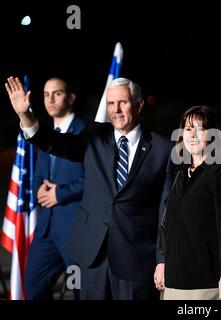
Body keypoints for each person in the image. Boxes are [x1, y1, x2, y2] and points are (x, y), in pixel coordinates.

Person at [5, 76, 174, 300]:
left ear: (139, 105)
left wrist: (162, 259)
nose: (116, 110)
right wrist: (25, 116)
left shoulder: (163, 149)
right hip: (91, 260)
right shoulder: (95, 137)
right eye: (111, 104)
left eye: (123, 102)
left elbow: (166, 210)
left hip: (136, 261)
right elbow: (55, 142)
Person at [153, 106, 221, 300]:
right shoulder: (181, 174)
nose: (192, 134)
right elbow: (171, 226)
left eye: (200, 128)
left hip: (206, 287)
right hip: (174, 283)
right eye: (187, 128)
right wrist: (163, 262)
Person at [25, 77, 85, 299]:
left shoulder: (84, 132)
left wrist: (59, 193)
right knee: (33, 286)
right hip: (46, 232)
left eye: (56, 93)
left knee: (79, 290)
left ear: (70, 98)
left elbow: (94, 180)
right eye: (46, 94)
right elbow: (40, 175)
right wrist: (39, 188)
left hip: (74, 232)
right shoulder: (47, 134)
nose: (50, 99)